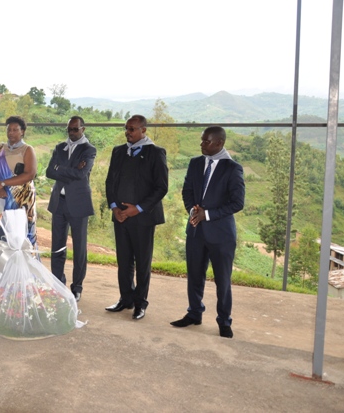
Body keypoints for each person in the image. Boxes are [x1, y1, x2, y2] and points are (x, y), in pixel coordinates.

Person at [171, 126, 245, 338]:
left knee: (222, 280)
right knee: (194, 275)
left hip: (221, 235)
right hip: (195, 230)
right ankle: (194, 313)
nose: (201, 144)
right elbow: (187, 191)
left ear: (219, 143)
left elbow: (237, 203)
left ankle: (224, 321)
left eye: (206, 142)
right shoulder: (195, 163)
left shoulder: (232, 168)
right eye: (202, 141)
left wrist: (208, 214)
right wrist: (193, 211)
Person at [105, 114, 168, 320]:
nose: (128, 132)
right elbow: (110, 182)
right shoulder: (118, 151)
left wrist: (138, 208)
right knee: (124, 261)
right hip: (120, 216)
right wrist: (115, 207)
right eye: (126, 128)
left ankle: (141, 303)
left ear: (143, 130)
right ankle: (126, 299)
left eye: (132, 129)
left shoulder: (155, 153)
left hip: (142, 218)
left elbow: (161, 187)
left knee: (142, 262)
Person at [46, 116, 96, 302]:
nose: (72, 133)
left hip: (79, 204)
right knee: (57, 246)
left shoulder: (89, 149)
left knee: (79, 249)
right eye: (69, 130)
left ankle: (77, 287)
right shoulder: (60, 147)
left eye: (75, 129)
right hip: (59, 202)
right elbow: (49, 171)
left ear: (83, 128)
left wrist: (61, 169)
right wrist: (70, 170)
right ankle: (58, 284)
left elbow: (82, 173)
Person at [0, 115, 38, 247]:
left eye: (15, 130)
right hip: (1, 197)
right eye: (9, 130)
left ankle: (22, 266)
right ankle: (2, 265)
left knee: (19, 235)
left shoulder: (27, 150)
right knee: (0, 233)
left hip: (21, 199)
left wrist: (4, 183)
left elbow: (30, 174)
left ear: (22, 131)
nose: (11, 133)